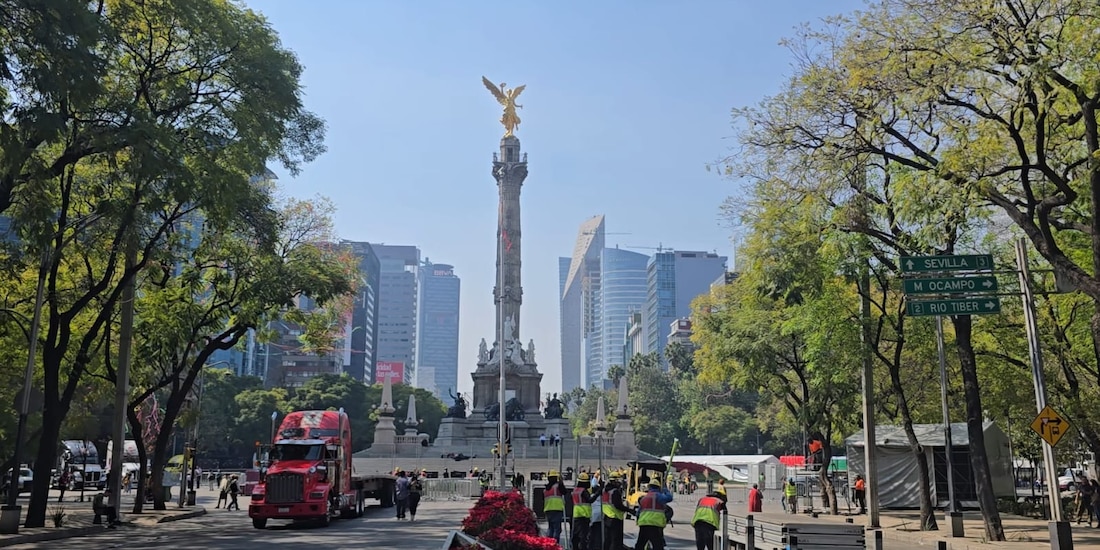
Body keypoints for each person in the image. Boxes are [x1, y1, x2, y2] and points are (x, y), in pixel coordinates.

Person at [635, 475, 674, 550]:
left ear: (649, 487)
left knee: (640, 545)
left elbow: (638, 513)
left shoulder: (644, 498)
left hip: (643, 524)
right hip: (654, 524)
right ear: (658, 487)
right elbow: (669, 498)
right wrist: (665, 490)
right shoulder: (658, 496)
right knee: (657, 545)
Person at [692, 485, 727, 550]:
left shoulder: (702, 499)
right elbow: (725, 512)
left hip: (698, 521)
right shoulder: (719, 501)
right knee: (710, 544)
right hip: (709, 522)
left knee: (700, 543)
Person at [601, 471, 630, 550]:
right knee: (615, 541)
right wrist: (629, 510)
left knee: (607, 540)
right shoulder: (615, 491)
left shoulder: (604, 490)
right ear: (614, 481)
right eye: (618, 480)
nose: (619, 482)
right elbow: (618, 505)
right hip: (615, 518)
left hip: (606, 517)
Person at [570, 472, 594, 550]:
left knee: (576, 535)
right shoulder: (583, 491)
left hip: (576, 514)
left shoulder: (575, 490)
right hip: (584, 515)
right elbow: (590, 500)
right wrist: (597, 493)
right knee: (583, 536)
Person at [544, 469, 567, 543]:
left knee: (550, 528)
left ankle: (548, 544)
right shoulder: (558, 486)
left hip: (548, 510)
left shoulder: (545, 489)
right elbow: (564, 492)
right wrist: (561, 482)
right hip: (557, 509)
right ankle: (555, 544)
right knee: (557, 529)